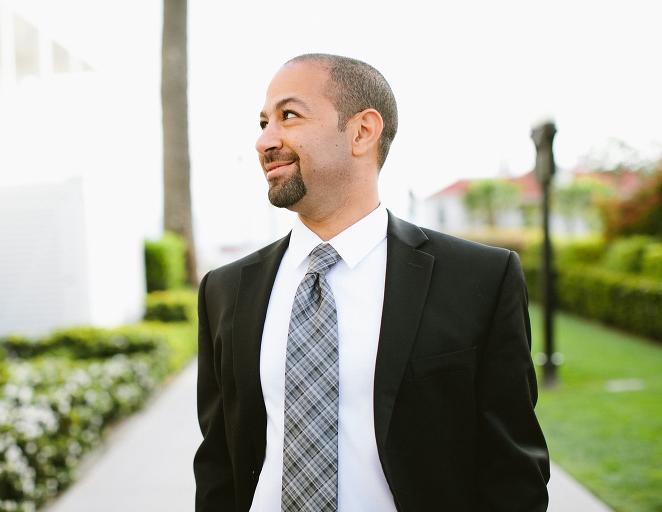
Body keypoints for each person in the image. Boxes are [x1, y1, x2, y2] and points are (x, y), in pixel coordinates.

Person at [194, 53, 549, 512]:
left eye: (288, 116)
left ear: (363, 131)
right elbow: (220, 464)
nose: (265, 140)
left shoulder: (480, 278)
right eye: (263, 122)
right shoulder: (224, 290)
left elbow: (512, 471)